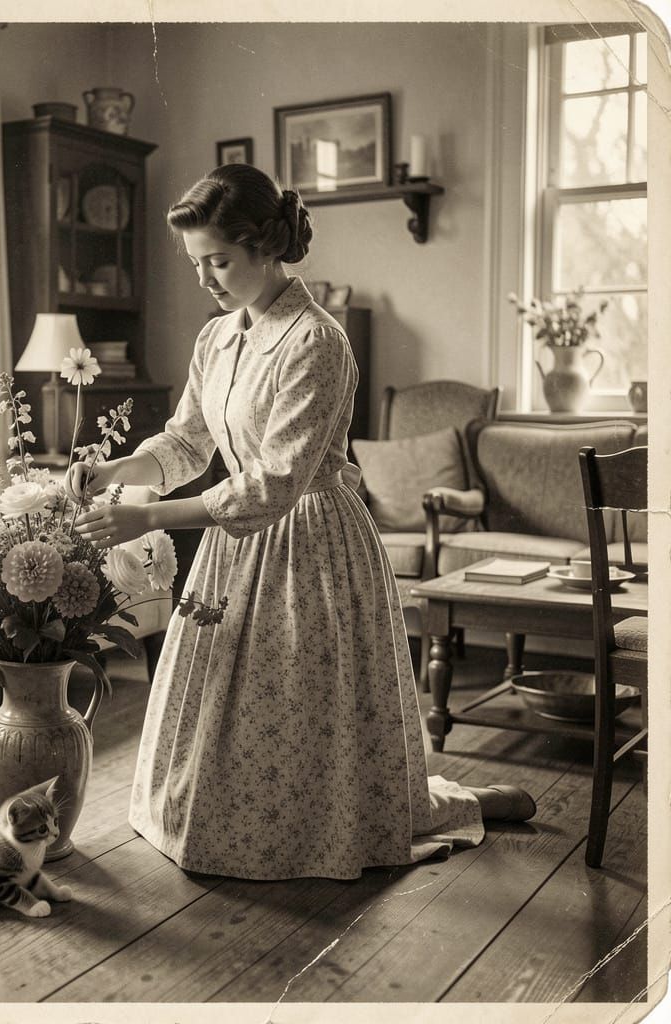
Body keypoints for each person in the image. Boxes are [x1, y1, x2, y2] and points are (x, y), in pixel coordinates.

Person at [66, 163, 535, 881]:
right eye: (196, 264)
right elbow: (187, 442)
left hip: (308, 540)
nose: (205, 279)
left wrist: (149, 516)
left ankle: (370, 819)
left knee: (299, 707)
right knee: (230, 715)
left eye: (219, 261)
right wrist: (115, 470)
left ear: (266, 246)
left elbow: (276, 483)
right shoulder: (216, 339)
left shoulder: (318, 341)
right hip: (234, 542)